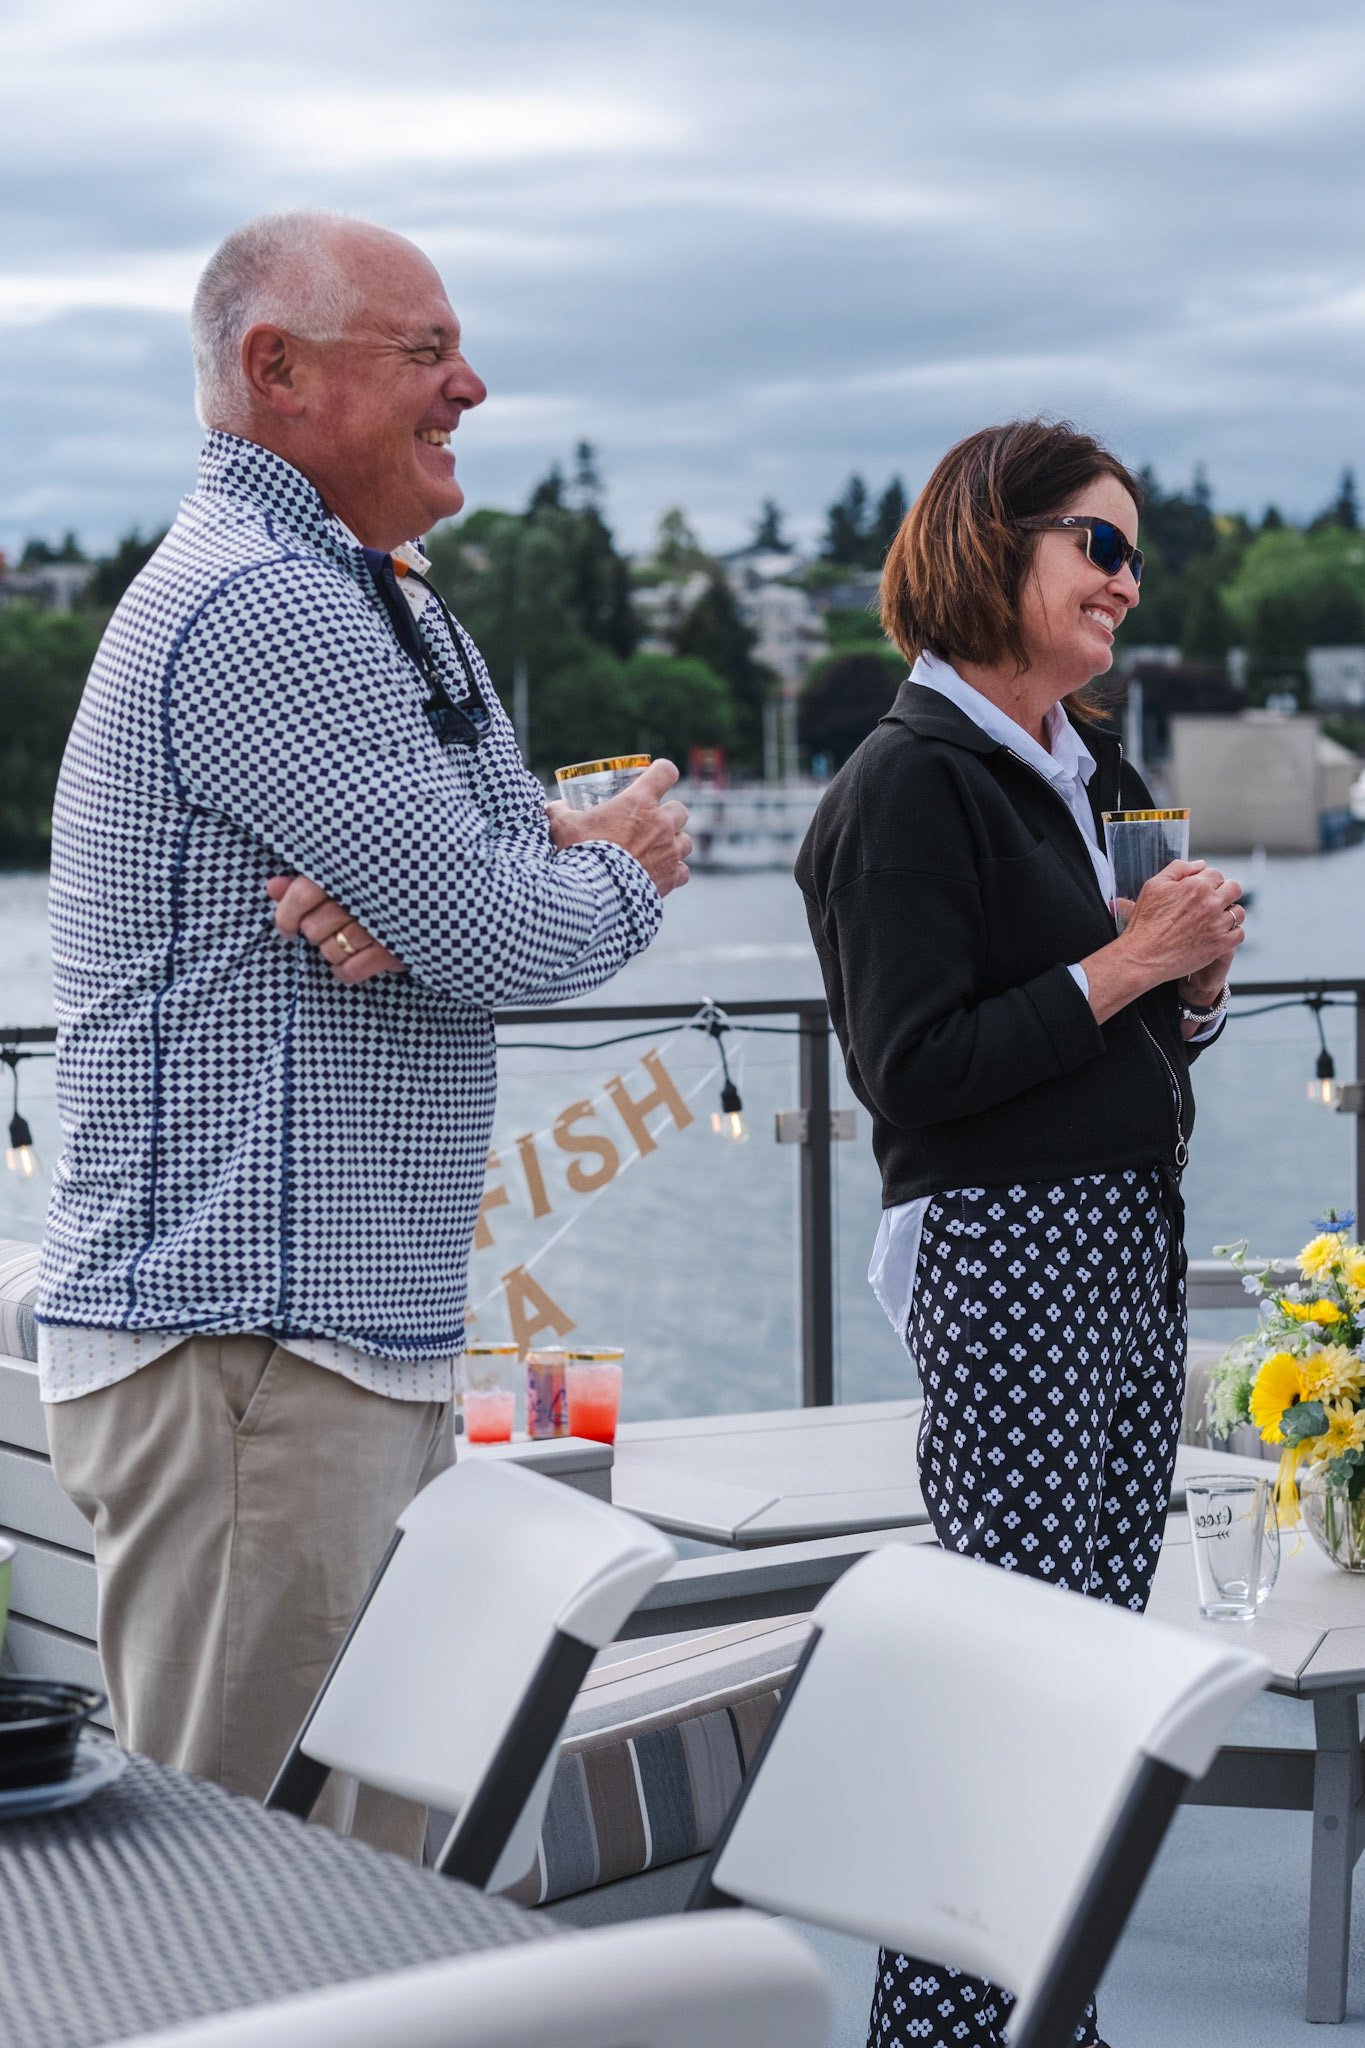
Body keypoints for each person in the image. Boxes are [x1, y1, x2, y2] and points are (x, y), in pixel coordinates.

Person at [36, 209, 689, 1854]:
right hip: (257, 1367)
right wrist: (609, 871)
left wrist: (447, 892)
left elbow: (485, 867)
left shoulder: (358, 593)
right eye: (425, 352)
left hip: (312, 1364)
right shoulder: (267, 605)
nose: (470, 386)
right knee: (248, 1906)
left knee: (363, 1891)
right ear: (276, 369)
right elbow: (506, 927)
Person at [796, 419, 1242, 2048]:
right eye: (1096, 545)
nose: (1125, 580)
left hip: (1115, 1239)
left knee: (1080, 1671)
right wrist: (1129, 969)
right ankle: (943, 2030)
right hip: (1008, 1259)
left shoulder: (1079, 768)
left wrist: (1187, 991)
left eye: (1133, 552)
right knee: (1013, 1673)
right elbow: (913, 1071)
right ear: (992, 545)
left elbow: (1102, 1031)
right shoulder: (906, 783)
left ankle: (1039, 2012)